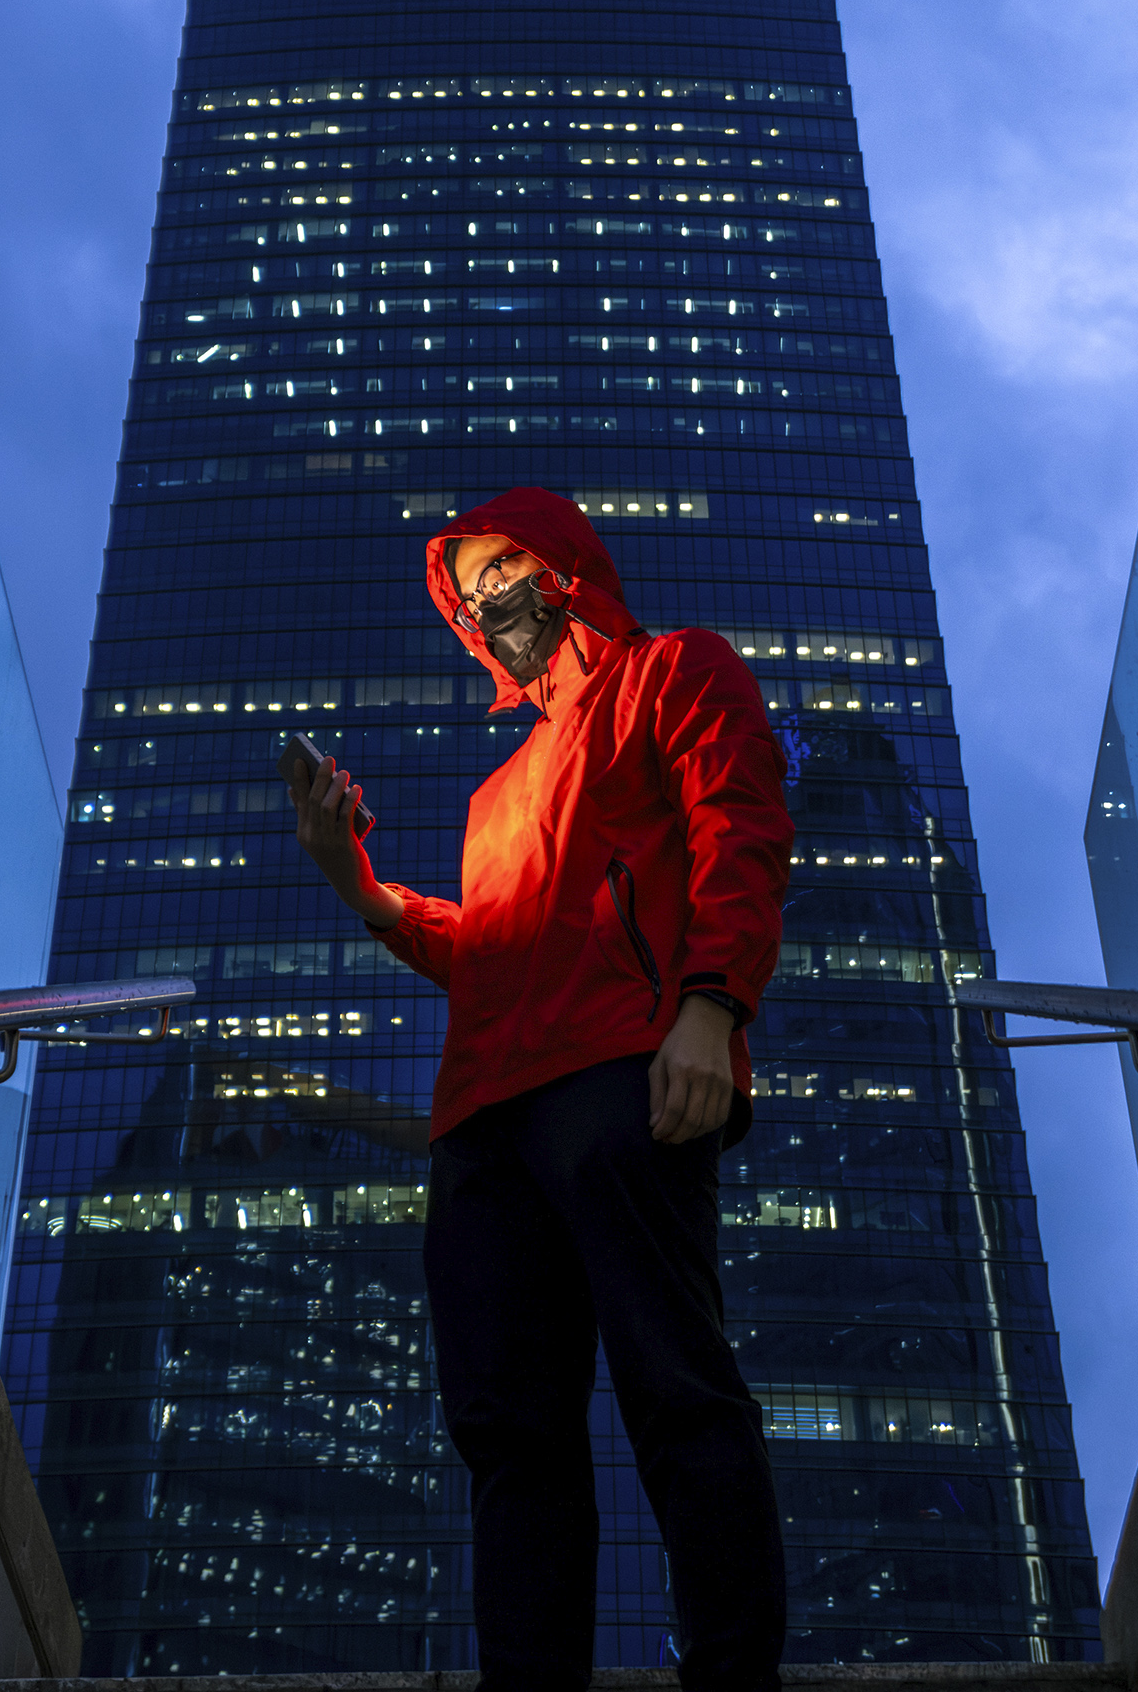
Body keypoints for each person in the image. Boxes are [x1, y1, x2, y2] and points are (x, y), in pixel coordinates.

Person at [285, 485, 793, 1692]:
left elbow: (740, 825)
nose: (487, 596)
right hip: (480, 1127)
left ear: (565, 563)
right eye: (468, 590)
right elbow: (485, 949)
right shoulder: (492, 796)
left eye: (505, 564)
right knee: (510, 1441)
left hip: (623, 1074)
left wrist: (709, 1007)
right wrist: (357, 886)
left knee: (675, 1390)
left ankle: (733, 1680)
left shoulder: (676, 670)